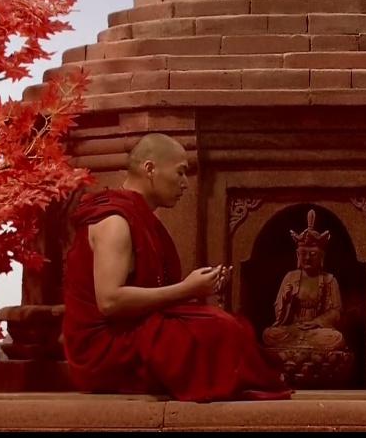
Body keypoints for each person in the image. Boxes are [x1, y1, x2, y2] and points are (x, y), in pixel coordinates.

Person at [61, 133, 291, 402]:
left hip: (134, 329)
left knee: (229, 324)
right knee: (220, 330)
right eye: (180, 173)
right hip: (105, 347)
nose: (185, 184)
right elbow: (110, 301)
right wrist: (186, 289)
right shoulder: (115, 220)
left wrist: (195, 289)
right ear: (150, 169)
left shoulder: (143, 218)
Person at [262, 209, 346, 351]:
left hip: (316, 331)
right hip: (292, 330)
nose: (307, 258)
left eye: (312, 254)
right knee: (269, 334)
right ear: (297, 255)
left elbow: (336, 312)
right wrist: (286, 299)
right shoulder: (290, 277)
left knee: (336, 338)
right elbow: (279, 313)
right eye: (304, 254)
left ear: (322, 257)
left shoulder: (329, 280)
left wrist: (317, 322)